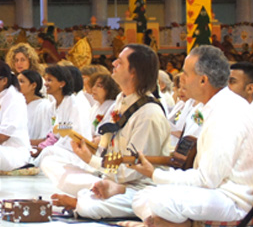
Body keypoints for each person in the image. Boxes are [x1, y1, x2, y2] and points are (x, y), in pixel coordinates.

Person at [129, 46, 253, 226]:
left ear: (203, 80)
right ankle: (158, 223)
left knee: (160, 200)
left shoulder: (226, 112)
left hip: (234, 201)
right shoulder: (217, 105)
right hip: (217, 192)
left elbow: (207, 180)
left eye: (186, 74)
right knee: (143, 195)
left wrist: (155, 174)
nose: (182, 80)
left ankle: (164, 223)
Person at [42, 44, 170, 220]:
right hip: (110, 176)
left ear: (133, 72)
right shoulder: (121, 100)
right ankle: (97, 190)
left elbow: (134, 171)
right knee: (51, 162)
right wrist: (90, 154)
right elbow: (107, 148)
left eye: (120, 62)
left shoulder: (149, 113)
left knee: (91, 206)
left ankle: (85, 199)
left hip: (137, 187)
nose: (114, 62)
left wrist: (92, 161)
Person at [19, 69, 54, 143]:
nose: (17, 85)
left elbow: (47, 137)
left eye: (21, 81)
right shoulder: (16, 104)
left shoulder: (45, 105)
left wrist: (24, 143)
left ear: (33, 85)